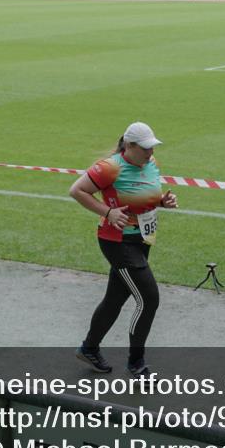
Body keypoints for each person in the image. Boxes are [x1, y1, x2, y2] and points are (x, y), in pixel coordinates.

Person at [69, 121, 178, 375]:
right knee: (149, 299)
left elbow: (145, 197)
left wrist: (162, 201)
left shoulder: (151, 164)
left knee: (114, 299)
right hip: (118, 243)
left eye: (152, 147)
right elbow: (77, 190)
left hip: (141, 241)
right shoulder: (110, 168)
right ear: (129, 146)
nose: (150, 153)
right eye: (145, 148)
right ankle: (136, 362)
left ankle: (89, 348)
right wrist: (107, 211)